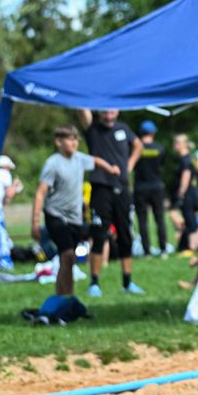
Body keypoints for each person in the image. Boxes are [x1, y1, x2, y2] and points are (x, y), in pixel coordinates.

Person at [33, 126, 120, 298]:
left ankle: (63, 297)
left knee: (68, 260)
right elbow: (40, 193)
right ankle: (67, 297)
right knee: (68, 255)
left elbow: (96, 160)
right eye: (69, 139)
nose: (74, 142)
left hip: (75, 218)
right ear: (59, 141)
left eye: (76, 139)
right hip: (56, 215)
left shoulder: (79, 159)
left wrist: (110, 169)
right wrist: (35, 223)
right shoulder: (53, 163)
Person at [79, 109, 143, 296]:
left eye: (112, 111)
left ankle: (128, 282)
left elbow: (138, 145)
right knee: (99, 235)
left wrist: (128, 166)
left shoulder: (124, 128)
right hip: (101, 188)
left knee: (125, 235)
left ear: (117, 111)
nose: (109, 115)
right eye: (105, 111)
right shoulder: (93, 129)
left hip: (122, 188)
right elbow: (81, 109)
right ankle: (94, 283)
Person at [133, 120, 168, 257]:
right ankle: (163, 249)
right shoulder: (160, 148)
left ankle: (146, 251)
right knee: (159, 218)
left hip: (140, 187)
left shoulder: (136, 148)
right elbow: (162, 165)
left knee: (142, 220)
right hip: (156, 186)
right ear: (153, 133)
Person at [170, 135, 198, 255]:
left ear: (184, 145)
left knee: (189, 218)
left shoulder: (185, 159)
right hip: (195, 191)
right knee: (192, 219)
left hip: (189, 192)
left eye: (177, 143)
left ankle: (191, 248)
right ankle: (195, 245)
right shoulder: (190, 158)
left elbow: (186, 175)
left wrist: (181, 191)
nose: (175, 145)